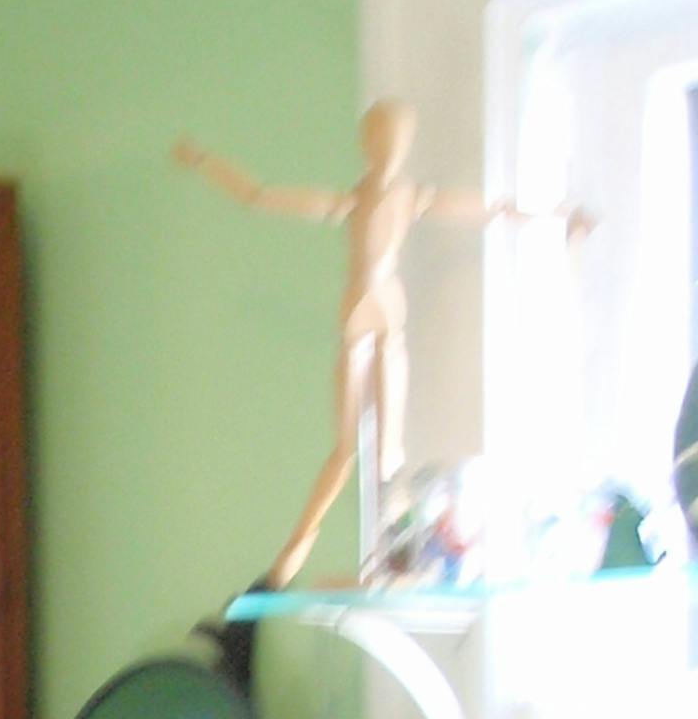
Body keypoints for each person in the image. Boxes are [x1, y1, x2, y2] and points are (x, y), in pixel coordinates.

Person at [175, 102, 594, 587]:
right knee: (346, 447)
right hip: (358, 307)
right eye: (382, 137)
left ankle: (391, 559)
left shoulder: (413, 197)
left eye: (399, 139)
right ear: (367, 144)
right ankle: (293, 554)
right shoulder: (352, 201)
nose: (391, 149)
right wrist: (202, 160)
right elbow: (258, 195)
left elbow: (493, 210)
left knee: (389, 449)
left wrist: (554, 215)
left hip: (387, 309)